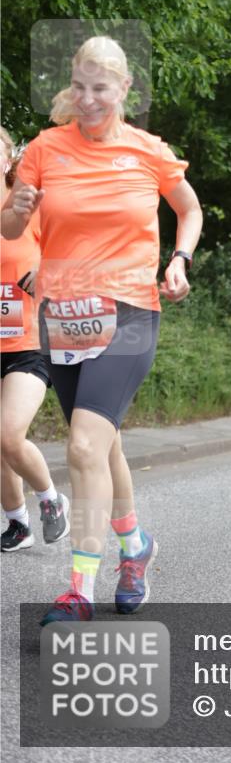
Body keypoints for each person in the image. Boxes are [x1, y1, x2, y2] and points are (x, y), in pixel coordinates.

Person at [1, 37, 202, 621]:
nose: (89, 100)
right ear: (71, 84)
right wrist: (17, 208)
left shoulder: (148, 151)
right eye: (80, 87)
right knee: (104, 445)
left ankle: (78, 592)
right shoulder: (43, 150)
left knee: (84, 444)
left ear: (124, 90)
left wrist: (180, 259)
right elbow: (12, 228)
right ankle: (135, 548)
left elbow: (188, 209)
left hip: (131, 310)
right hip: (63, 315)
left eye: (101, 89)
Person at [1, 127, 69, 552]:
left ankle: (50, 499)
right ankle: (17, 523)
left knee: (8, 434)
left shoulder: (27, 203)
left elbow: (67, 246)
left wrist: (46, 271)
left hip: (28, 339)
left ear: (8, 159)